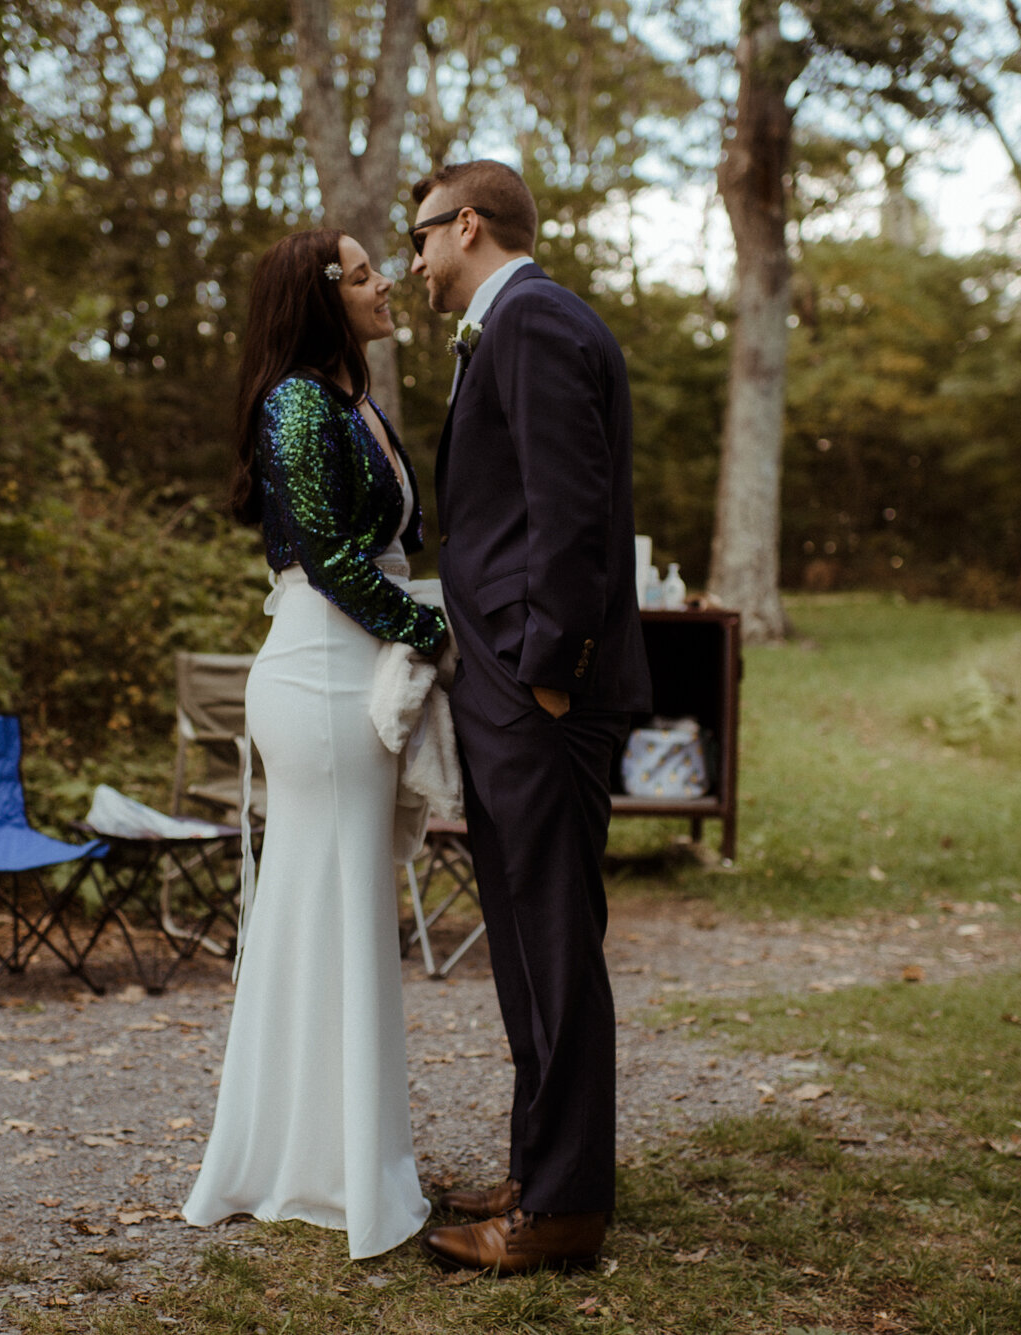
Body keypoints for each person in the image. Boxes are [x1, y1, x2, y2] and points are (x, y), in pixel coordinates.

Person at [181, 227, 445, 1260]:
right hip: (319, 673)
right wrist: (431, 630)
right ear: (321, 295)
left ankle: (322, 1155)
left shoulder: (353, 400)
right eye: (365, 273)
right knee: (325, 909)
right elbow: (333, 557)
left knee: (332, 913)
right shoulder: (294, 400)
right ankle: (329, 1169)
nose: (385, 284)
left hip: (346, 666)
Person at [408, 161, 652, 1273]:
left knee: (552, 945)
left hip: (537, 692)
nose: (412, 263)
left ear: (467, 225)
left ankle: (560, 1214)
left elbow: (570, 513)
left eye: (418, 239)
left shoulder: (535, 322)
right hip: (510, 689)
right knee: (520, 943)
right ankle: (536, 1172)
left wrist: (545, 670)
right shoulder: (506, 330)